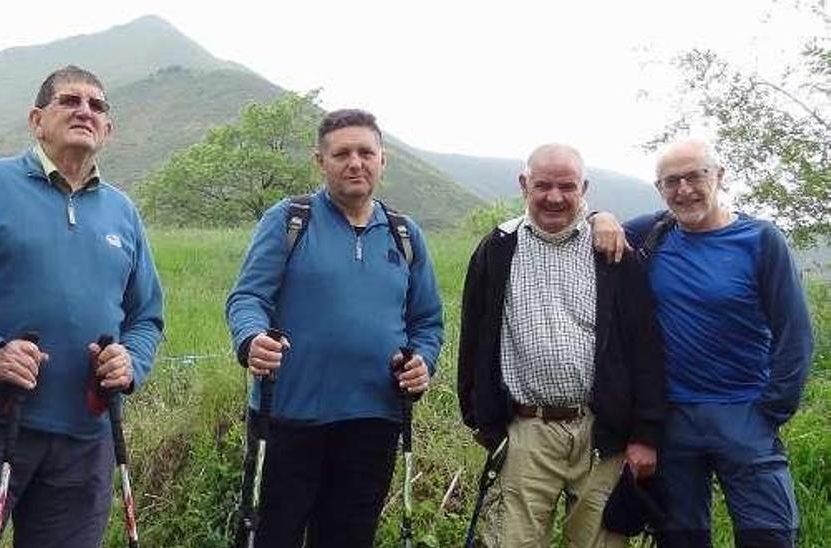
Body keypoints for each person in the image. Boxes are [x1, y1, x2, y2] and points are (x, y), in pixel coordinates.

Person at [0, 65, 164, 548]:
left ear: (108, 130)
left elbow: (146, 316)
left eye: (97, 105)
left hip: (85, 434)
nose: (85, 111)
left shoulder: (123, 212)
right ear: (37, 120)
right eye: (70, 101)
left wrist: (131, 360)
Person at [224, 109, 444, 547]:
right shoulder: (290, 220)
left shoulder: (404, 233)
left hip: (374, 419)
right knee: (273, 535)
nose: (355, 162)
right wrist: (252, 340)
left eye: (366, 152)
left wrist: (423, 362)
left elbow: (427, 321)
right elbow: (247, 297)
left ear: (383, 160)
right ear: (320, 161)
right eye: (342, 153)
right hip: (289, 416)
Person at [456, 144, 664, 547]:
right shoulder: (498, 249)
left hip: (601, 433)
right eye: (543, 185)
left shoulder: (614, 252)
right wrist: (478, 416)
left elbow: (645, 348)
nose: (555, 197)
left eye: (567, 186)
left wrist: (646, 434)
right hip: (526, 431)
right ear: (524, 185)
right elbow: (474, 337)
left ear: (584, 188)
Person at [617, 138, 813, 547]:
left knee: (770, 535)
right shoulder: (652, 234)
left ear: (719, 176)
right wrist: (600, 217)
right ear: (660, 189)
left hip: (746, 414)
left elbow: (794, 335)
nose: (684, 189)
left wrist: (773, 409)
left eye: (695, 176)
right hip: (674, 420)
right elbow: (593, 229)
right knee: (680, 537)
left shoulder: (761, 240)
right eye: (672, 181)